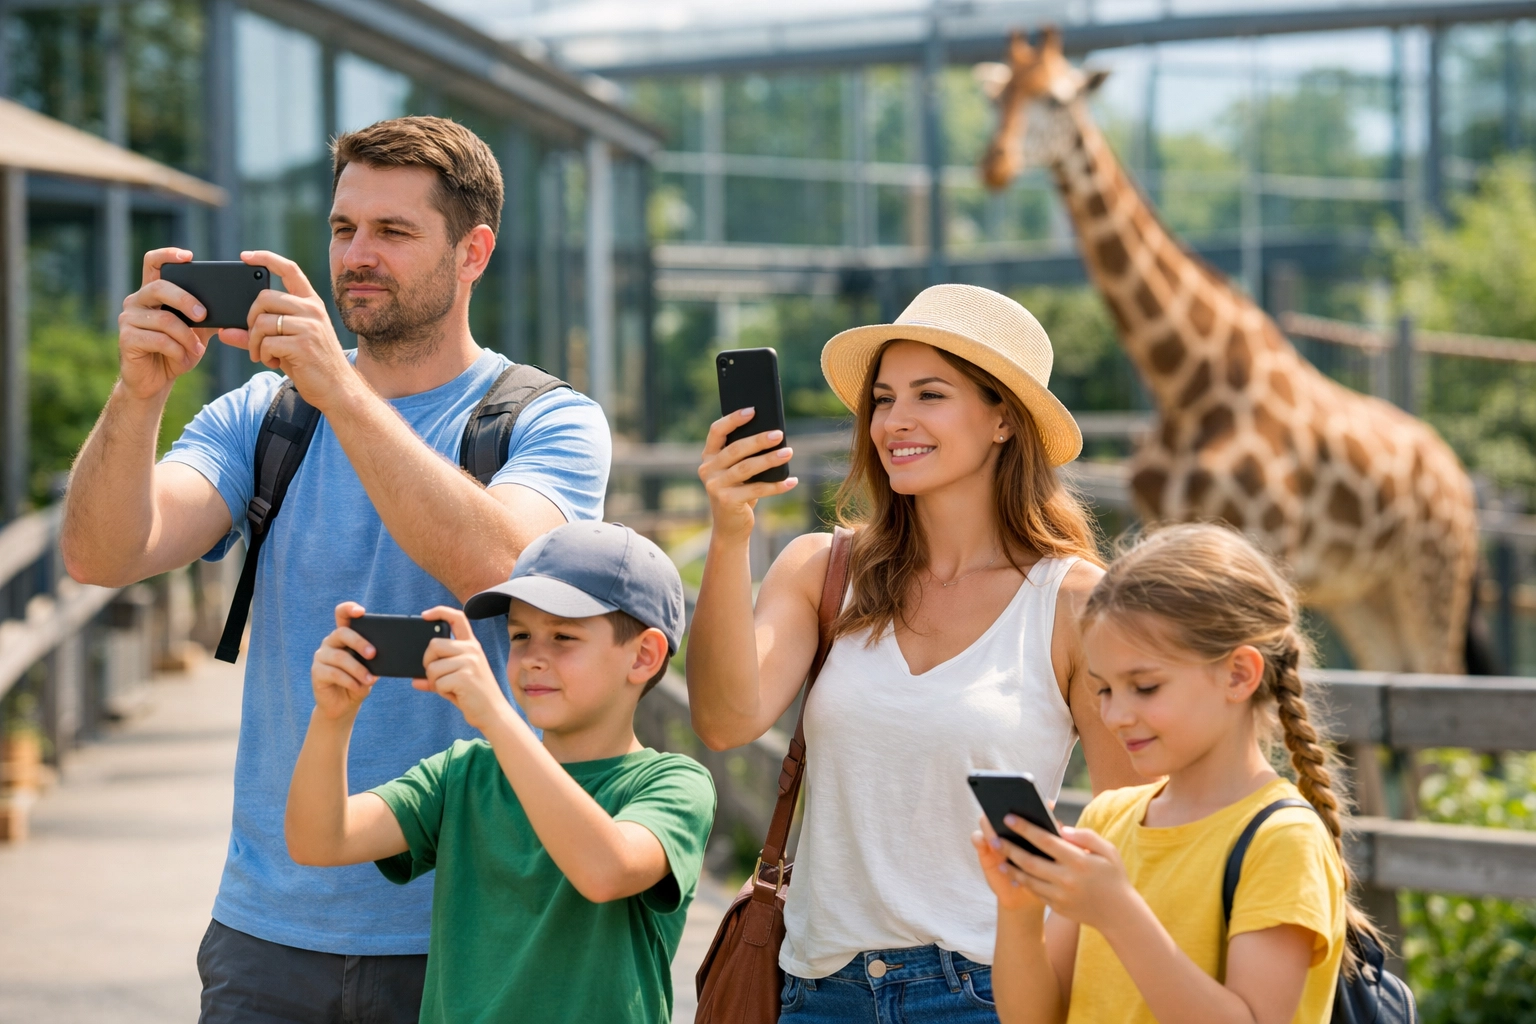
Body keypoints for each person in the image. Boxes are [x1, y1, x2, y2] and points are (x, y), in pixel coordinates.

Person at [59, 116, 610, 1023]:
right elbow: (102, 552)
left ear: (473, 252)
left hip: (474, 930)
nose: (358, 255)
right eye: (344, 228)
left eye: (394, 233)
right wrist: (140, 390)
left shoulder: (548, 420)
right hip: (268, 927)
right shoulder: (264, 413)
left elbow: (501, 566)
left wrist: (341, 389)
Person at [689, 283, 1145, 1021]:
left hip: (988, 991)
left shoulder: (1074, 603)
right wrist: (730, 532)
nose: (893, 422)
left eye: (929, 395)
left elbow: (1129, 829)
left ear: (1003, 417)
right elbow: (723, 719)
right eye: (883, 398)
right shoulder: (821, 572)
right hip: (816, 991)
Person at [285, 521, 716, 1024]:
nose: (533, 657)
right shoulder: (463, 773)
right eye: (520, 635)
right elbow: (318, 841)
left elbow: (606, 869)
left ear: (643, 656)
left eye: (563, 636)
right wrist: (332, 718)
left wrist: (495, 714)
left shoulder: (674, 783)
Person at [974, 523, 1370, 1024]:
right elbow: (1034, 1018)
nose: (1115, 715)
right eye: (1103, 690)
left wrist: (1118, 914)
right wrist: (1020, 910)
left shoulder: (1283, 840)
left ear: (1238, 674)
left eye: (1144, 687)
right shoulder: (1109, 819)